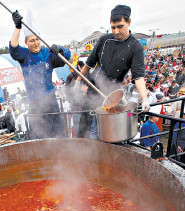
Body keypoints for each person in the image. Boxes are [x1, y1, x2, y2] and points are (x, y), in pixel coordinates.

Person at [76, 5, 149, 138]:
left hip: (112, 94)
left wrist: (144, 99)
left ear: (128, 22)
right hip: (93, 90)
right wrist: (78, 81)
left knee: (103, 131)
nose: (116, 31)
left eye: (120, 26)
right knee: (84, 126)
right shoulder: (104, 40)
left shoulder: (135, 47)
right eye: (113, 27)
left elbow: (138, 77)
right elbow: (89, 63)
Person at [9, 10, 71, 139]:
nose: (36, 43)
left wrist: (60, 49)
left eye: (37, 39)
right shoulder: (24, 55)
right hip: (36, 105)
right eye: (32, 40)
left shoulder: (48, 53)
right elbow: (13, 50)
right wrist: (17, 27)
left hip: (52, 102)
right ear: (26, 43)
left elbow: (67, 56)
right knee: (41, 138)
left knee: (60, 136)